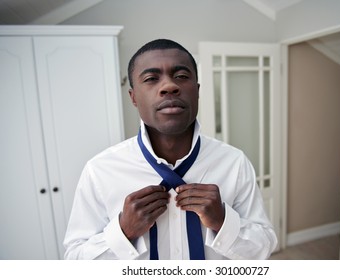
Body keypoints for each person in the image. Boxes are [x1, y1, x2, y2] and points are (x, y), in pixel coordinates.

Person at [63, 39, 277, 260]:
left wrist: (223, 222)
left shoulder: (234, 163)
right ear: (134, 97)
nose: (169, 86)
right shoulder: (100, 171)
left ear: (197, 90)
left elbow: (264, 247)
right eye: (151, 79)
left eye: (182, 77)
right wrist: (123, 231)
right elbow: (74, 259)